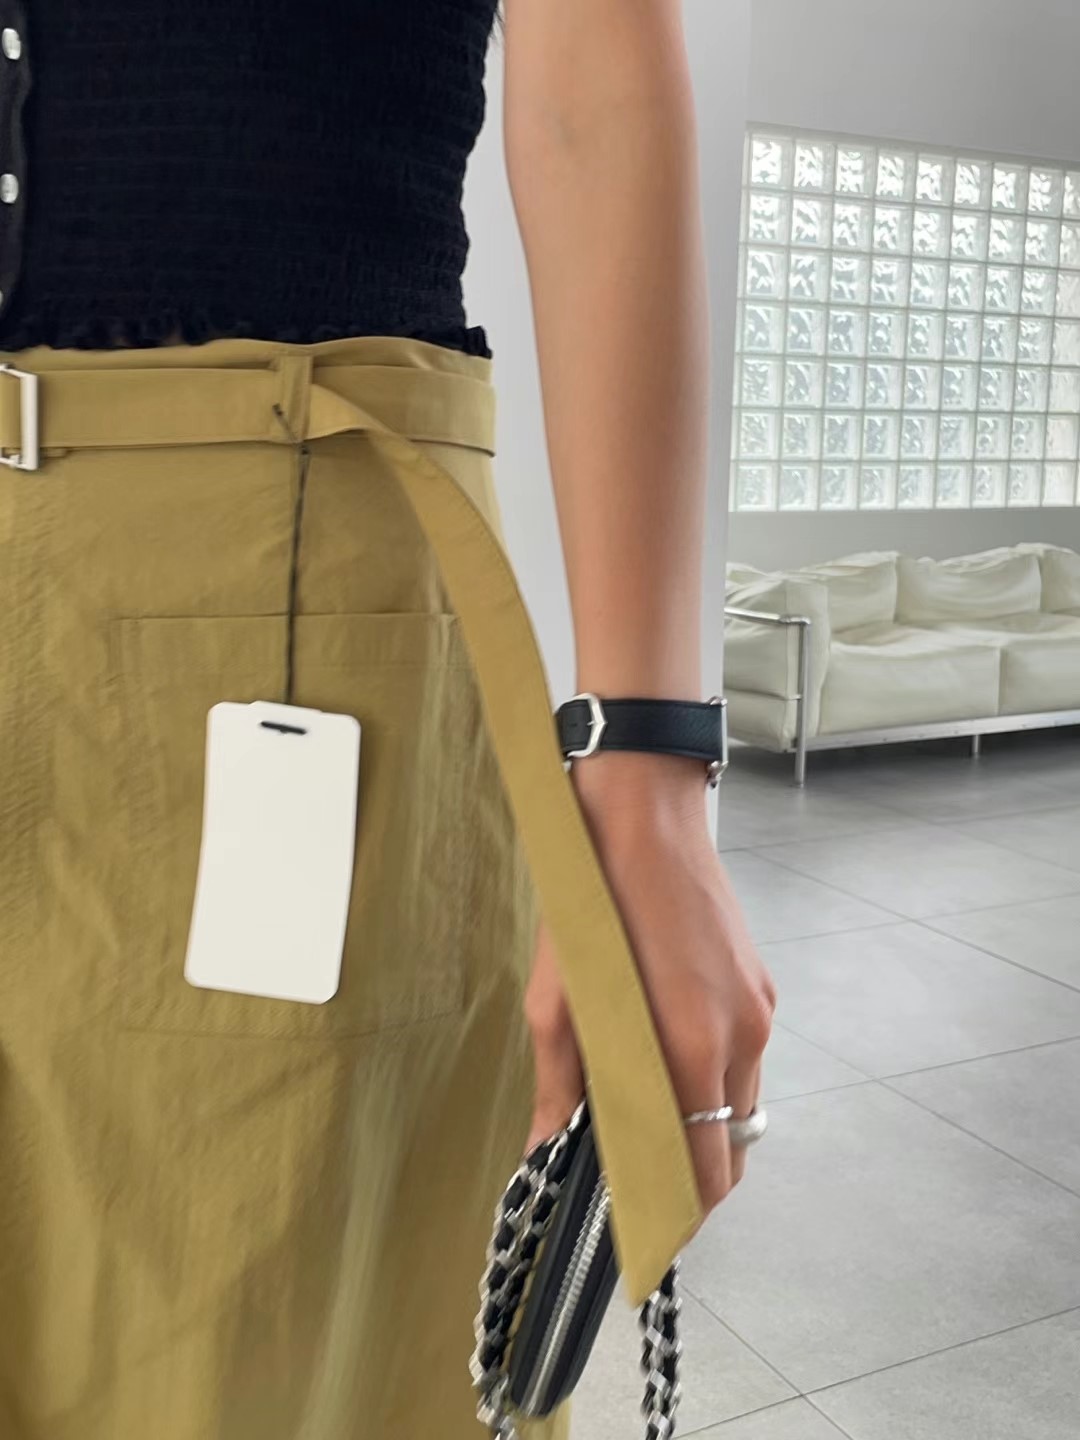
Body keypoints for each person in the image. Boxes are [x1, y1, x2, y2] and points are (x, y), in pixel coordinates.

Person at [0, 1, 775, 1436]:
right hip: (265, 570)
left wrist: (648, 762)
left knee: (267, 1356)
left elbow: (589, 95)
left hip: (275, 566)